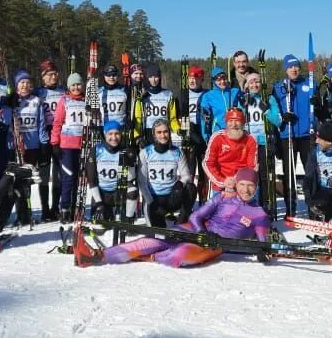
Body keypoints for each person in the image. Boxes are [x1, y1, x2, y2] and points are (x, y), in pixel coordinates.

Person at [87, 168, 271, 268]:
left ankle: (150, 258)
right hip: (196, 232)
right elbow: (196, 216)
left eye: (250, 186)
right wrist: (201, 232)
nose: (246, 190)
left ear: (256, 188)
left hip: (215, 245)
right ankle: (98, 256)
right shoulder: (223, 197)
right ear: (236, 184)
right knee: (152, 240)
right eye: (242, 184)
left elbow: (264, 243)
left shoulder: (260, 214)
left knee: (179, 255)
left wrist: (263, 254)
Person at [271, 54, 314, 217]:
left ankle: (312, 208)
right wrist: (282, 119)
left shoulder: (309, 85)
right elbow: (274, 110)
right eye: (290, 67)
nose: (294, 69)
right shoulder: (278, 87)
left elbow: (317, 107)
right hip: (287, 134)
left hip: (305, 135)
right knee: (289, 173)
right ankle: (290, 208)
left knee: (310, 172)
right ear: (285, 69)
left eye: (296, 66)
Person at [7, 70, 46, 226]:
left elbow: (41, 124)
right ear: (17, 85)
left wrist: (44, 144)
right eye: (22, 82)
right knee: (16, 181)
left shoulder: (36, 101)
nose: (25, 85)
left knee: (28, 181)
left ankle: (28, 213)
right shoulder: (12, 102)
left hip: (32, 147)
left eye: (27, 83)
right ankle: (20, 213)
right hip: (16, 147)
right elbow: (7, 124)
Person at [138, 119, 195, 225]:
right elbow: (142, 182)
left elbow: (186, 175)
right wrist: (151, 202)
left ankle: (181, 222)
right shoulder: (145, 152)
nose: (163, 135)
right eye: (159, 132)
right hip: (154, 199)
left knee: (191, 188)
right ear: (154, 134)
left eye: (165, 132)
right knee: (158, 235)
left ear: (169, 132)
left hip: (171, 197)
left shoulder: (177, 152)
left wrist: (180, 183)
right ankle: (158, 215)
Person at [240, 71, 280, 216]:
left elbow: (278, 120)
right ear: (247, 85)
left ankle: (266, 207)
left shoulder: (269, 98)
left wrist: (267, 110)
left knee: (265, 177)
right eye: (251, 82)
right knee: (249, 177)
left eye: (257, 81)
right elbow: (236, 121)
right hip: (248, 144)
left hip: (264, 143)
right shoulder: (243, 99)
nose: (254, 85)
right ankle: (249, 206)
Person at [50, 72, 89, 223]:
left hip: (83, 145)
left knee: (80, 179)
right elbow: (57, 122)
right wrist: (55, 143)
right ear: (68, 86)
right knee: (68, 178)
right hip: (67, 146)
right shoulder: (64, 100)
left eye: (78, 84)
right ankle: (64, 209)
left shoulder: (86, 100)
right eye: (73, 85)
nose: (76, 87)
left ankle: (76, 208)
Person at [201, 107, 257, 197]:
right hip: (220, 185)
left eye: (237, 121)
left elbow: (251, 167)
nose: (233, 124)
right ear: (226, 122)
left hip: (242, 185)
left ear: (243, 123)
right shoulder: (217, 138)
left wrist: (237, 182)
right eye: (230, 121)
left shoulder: (250, 140)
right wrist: (223, 182)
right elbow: (207, 163)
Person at [36, 60, 65, 221]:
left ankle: (55, 207)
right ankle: (45, 209)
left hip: (60, 134)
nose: (53, 77)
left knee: (59, 174)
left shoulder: (63, 92)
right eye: (49, 75)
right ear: (43, 77)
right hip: (44, 135)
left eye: (55, 74)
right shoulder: (38, 93)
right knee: (44, 174)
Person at [88, 121, 131, 222]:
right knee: (99, 227)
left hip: (119, 193)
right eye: (110, 134)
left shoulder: (125, 150)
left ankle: (125, 214)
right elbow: (91, 179)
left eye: (117, 133)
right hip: (102, 194)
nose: (114, 137)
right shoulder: (97, 150)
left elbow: (130, 178)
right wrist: (98, 203)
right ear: (105, 134)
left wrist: (131, 161)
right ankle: (106, 210)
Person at [132, 63, 180, 147]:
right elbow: (138, 120)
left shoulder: (168, 94)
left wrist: (179, 131)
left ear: (160, 77)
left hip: (163, 133)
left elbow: (173, 119)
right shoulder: (142, 96)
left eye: (156, 77)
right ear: (147, 78)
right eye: (151, 77)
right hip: (148, 133)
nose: (153, 80)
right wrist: (137, 137)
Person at [200, 66, 242, 141]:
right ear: (213, 81)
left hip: (235, 132)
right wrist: (206, 136)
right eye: (218, 80)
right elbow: (204, 119)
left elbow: (246, 99)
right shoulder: (208, 96)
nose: (222, 82)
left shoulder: (234, 92)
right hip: (218, 133)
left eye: (224, 78)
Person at [98, 65, 129, 130]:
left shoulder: (125, 90)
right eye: (108, 75)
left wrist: (129, 120)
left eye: (114, 75)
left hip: (121, 126)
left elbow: (129, 109)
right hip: (104, 127)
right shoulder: (99, 91)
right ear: (104, 76)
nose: (111, 77)